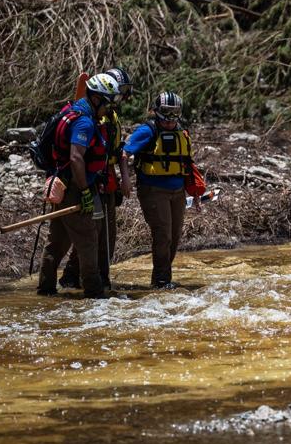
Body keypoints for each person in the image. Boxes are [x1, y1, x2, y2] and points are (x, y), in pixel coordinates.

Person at [36, 73, 121, 298]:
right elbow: (76, 158)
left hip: (63, 184)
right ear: (96, 99)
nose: (110, 108)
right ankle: (95, 294)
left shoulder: (73, 109)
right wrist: (84, 191)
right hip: (74, 189)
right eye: (109, 102)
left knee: (57, 242)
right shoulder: (84, 122)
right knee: (88, 240)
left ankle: (45, 292)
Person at [60, 67, 135, 292]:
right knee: (95, 236)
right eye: (118, 93)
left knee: (103, 235)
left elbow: (117, 149)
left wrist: (124, 178)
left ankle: (81, 278)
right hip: (94, 182)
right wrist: (86, 189)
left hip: (108, 180)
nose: (121, 98)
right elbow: (81, 154)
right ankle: (86, 279)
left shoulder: (108, 114)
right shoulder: (93, 116)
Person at [122, 91, 204, 289]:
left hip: (177, 192)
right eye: (166, 112)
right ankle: (161, 281)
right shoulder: (147, 131)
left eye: (175, 113)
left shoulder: (181, 132)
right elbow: (124, 153)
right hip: (153, 190)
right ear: (157, 112)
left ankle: (162, 277)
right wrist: (125, 180)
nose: (170, 118)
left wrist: (194, 192)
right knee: (163, 234)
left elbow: (186, 164)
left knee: (174, 236)